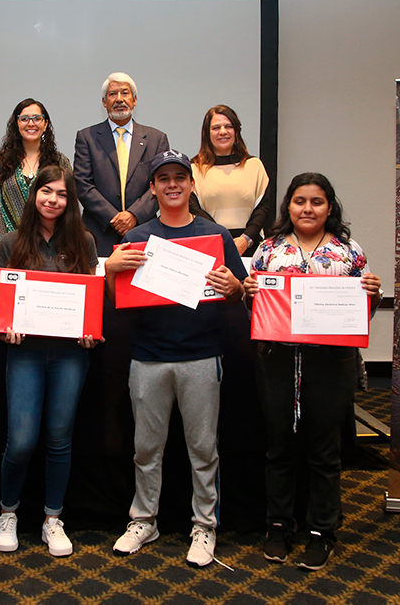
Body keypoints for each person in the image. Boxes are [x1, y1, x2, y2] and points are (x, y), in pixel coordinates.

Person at [103, 150, 247, 568]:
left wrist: (231, 286)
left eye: (179, 177)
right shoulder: (136, 239)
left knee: (203, 449)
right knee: (146, 448)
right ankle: (143, 520)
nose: (172, 184)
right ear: (152, 187)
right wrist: (111, 269)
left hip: (202, 356)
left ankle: (204, 526)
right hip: (148, 358)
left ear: (190, 184)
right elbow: (118, 302)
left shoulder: (215, 234)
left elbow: (236, 294)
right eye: (163, 178)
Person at [244, 172, 381, 571]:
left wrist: (372, 294)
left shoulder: (348, 250)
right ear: (288, 206)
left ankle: (322, 529)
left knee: (325, 450)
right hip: (278, 361)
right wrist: (250, 295)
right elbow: (255, 311)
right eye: (300, 201)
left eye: (316, 202)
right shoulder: (269, 251)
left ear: (329, 207)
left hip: (330, 364)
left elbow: (363, 313)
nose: (307, 208)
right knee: (279, 447)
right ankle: (277, 526)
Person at [0, 165, 100, 557]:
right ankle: (9, 513)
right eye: (46, 191)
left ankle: (52, 520)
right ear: (34, 194)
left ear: (70, 202)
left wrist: (90, 331)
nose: (53, 200)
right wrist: (7, 328)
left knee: (59, 438)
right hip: (26, 353)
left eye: (62, 194)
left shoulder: (84, 242)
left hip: (71, 354)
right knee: (20, 441)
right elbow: (3, 303)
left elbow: (91, 299)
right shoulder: (10, 242)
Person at [74, 72, 170, 256]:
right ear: (104, 102)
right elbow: (82, 184)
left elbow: (160, 185)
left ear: (134, 100)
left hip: (143, 230)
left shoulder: (156, 139)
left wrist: (134, 215)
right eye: (112, 94)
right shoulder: (87, 137)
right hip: (98, 233)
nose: (119, 99)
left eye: (125, 93)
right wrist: (114, 218)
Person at [0, 98, 72, 252]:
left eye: (37, 119)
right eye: (24, 119)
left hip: (51, 245)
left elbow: (69, 201)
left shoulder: (60, 162)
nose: (31, 124)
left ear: (45, 124)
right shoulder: (2, 162)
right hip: (9, 245)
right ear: (16, 124)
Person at [189, 105, 272, 256]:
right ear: (206, 133)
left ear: (237, 131)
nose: (223, 132)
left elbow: (263, 209)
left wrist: (245, 240)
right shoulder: (193, 169)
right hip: (210, 245)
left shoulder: (254, 165)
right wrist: (222, 238)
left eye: (228, 126)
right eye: (216, 128)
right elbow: (194, 211)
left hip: (250, 247)